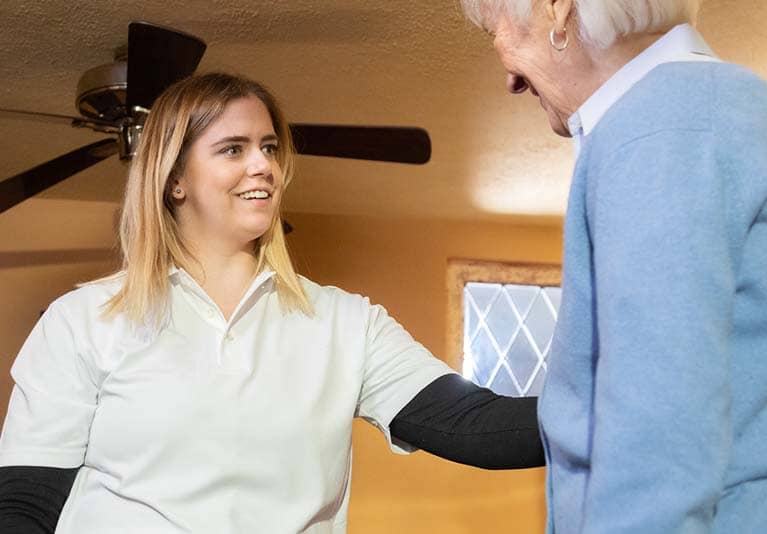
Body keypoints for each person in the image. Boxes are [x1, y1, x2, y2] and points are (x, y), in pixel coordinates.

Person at [0, 72, 544, 533]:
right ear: (175, 182)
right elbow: (26, 504)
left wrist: (623, 413)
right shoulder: (82, 320)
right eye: (233, 149)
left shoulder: (347, 323)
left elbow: (478, 426)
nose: (263, 165)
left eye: (269, 147)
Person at [462, 0, 767, 532]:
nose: (508, 76)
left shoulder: (661, 125)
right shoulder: (722, 109)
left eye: (494, 32)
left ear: (558, 10)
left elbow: (658, 437)